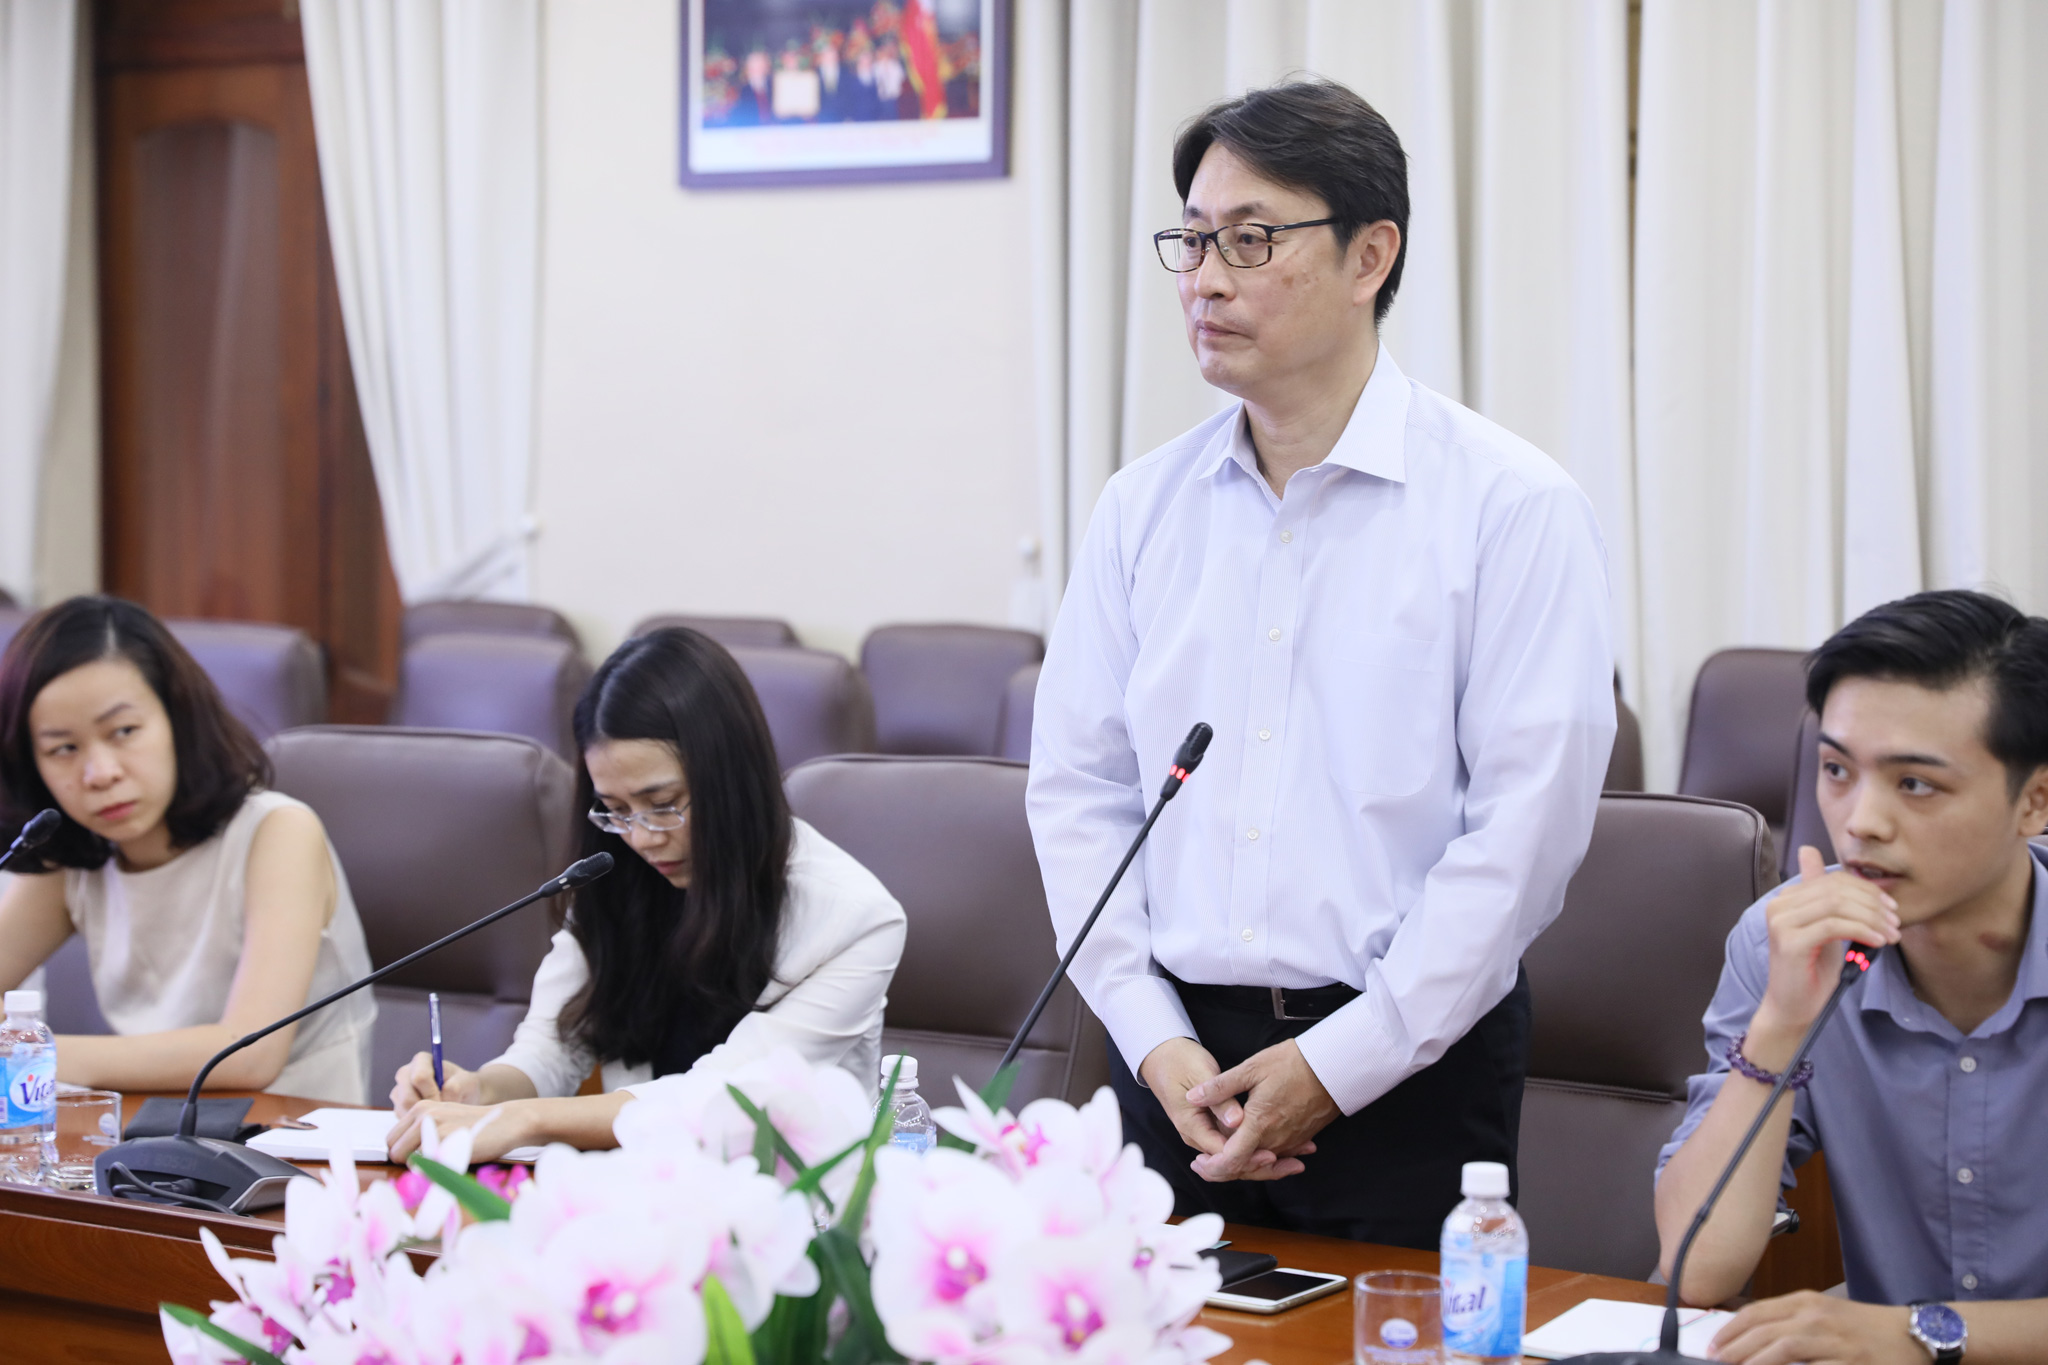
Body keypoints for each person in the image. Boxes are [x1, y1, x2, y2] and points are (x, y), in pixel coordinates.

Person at [1026, 77, 1615, 1247]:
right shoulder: (1140, 509)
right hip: (1174, 1071)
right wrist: (1151, 1035)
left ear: (1368, 256)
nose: (1204, 279)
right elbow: (1078, 796)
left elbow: (1520, 839)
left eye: (1249, 240)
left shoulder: (1510, 507)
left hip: (1409, 1070)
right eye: (1192, 241)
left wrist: (1339, 1063)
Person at [1656, 590, 2048, 1364]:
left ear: (2035, 801)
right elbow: (1696, 1270)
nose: (1861, 820)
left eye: (1915, 783)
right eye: (1837, 769)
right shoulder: (1785, 942)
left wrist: (1917, 1331)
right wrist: (1780, 1026)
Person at [387, 627, 906, 1161]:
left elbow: (724, 1099)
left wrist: (522, 1120)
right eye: (616, 809)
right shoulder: (616, 876)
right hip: (644, 1187)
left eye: (662, 804)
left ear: (731, 778)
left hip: (791, 1195)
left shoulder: (854, 918)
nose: (640, 837)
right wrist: (478, 1092)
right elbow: (552, 1049)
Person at [0, 597, 374, 1102]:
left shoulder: (277, 832)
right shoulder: (75, 853)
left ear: (178, 719)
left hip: (292, 1139)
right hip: (145, 1138)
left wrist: (31, 1052)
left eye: (124, 732)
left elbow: (248, 1054)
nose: (101, 773)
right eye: (63, 748)